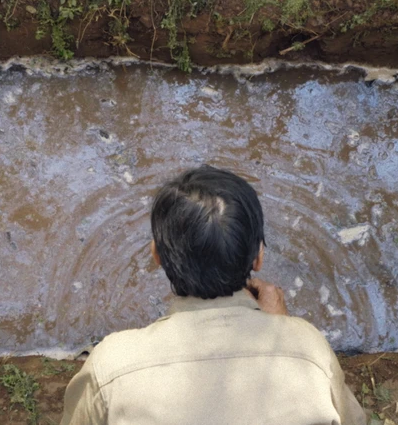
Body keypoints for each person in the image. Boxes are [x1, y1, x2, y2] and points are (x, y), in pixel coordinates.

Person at [60, 165, 366, 425]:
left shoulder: (112, 365)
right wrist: (285, 333)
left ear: (157, 256)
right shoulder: (309, 351)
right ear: (258, 256)